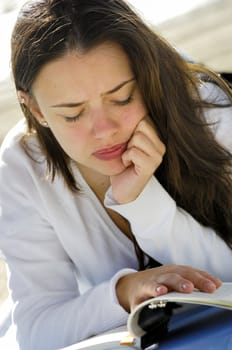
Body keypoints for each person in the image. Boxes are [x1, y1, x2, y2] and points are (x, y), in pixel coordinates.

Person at [0, 0, 231, 349]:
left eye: (122, 97)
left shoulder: (206, 109)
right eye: (73, 114)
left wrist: (142, 203)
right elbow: (37, 329)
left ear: (146, 76)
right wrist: (123, 293)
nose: (105, 131)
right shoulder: (23, 164)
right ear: (36, 109)